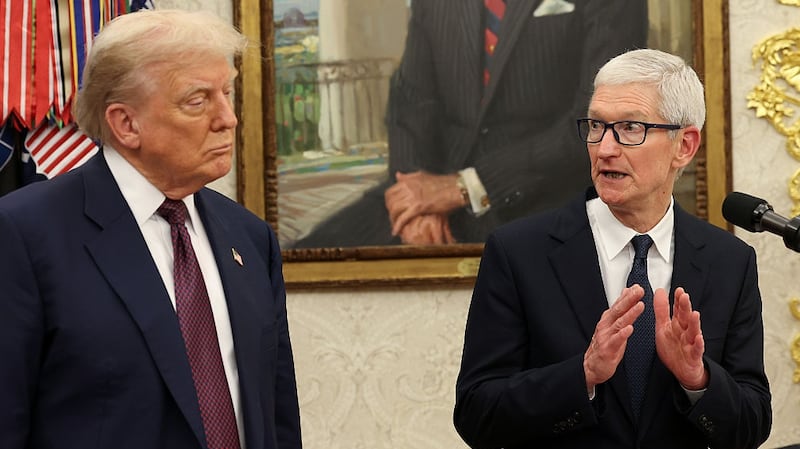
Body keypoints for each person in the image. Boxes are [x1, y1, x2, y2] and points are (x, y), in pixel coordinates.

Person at [0, 10, 302, 449]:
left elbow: (277, 417)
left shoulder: (250, 237)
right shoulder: (23, 234)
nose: (228, 118)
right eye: (197, 101)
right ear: (126, 124)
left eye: (227, 93)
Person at [453, 49, 772, 449]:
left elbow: (752, 425)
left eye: (630, 128)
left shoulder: (730, 261)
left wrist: (698, 380)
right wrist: (583, 374)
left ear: (685, 145)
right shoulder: (519, 252)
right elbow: (476, 414)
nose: (604, 149)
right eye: (596, 126)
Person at [293, 0, 647, 248]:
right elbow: (411, 103)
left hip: (540, 198)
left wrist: (466, 186)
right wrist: (414, 202)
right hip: (435, 191)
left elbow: (597, 126)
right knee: (303, 258)